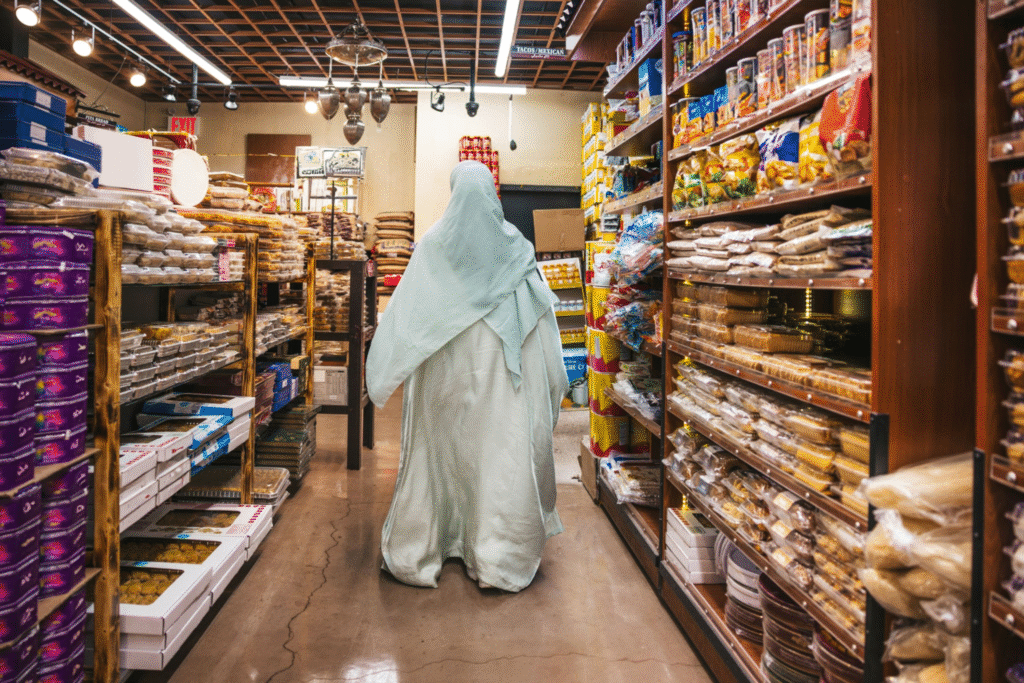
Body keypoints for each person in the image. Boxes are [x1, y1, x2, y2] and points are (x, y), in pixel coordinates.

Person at [366, 161, 567, 593]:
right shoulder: (516, 249)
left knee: (442, 455)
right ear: (493, 195)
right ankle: (496, 554)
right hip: (505, 382)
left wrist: (386, 368)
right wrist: (553, 382)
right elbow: (543, 325)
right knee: (498, 457)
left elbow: (406, 317)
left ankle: (430, 543)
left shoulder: (435, 246)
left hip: (445, 376)